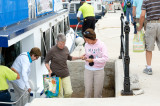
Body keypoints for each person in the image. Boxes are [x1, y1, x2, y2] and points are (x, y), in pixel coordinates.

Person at [45, 33, 81, 98]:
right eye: (60, 44)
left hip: (65, 73)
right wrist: (49, 70)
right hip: (56, 75)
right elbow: (46, 62)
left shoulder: (66, 48)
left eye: (64, 43)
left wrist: (80, 57)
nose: (62, 45)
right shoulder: (52, 50)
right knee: (59, 95)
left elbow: (69, 58)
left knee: (69, 92)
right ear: (56, 42)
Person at [81, 28, 109, 98]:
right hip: (88, 70)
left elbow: (105, 58)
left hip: (99, 70)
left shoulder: (102, 45)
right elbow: (88, 54)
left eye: (86, 39)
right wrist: (84, 56)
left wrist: (93, 60)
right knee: (87, 91)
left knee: (98, 93)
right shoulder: (86, 44)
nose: (85, 41)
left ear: (91, 38)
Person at [138, 0, 160, 75]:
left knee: (148, 48)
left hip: (151, 24)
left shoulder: (145, 1)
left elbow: (142, 15)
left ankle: (149, 68)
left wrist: (140, 26)